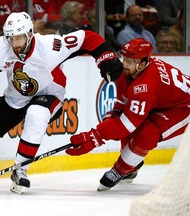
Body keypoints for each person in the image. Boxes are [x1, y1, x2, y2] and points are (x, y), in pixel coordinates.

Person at [0, 11, 123, 194]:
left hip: (50, 94)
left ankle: (20, 170)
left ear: (30, 34)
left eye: (19, 39)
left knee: (36, 114)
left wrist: (105, 58)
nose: (15, 44)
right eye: (11, 39)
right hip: (17, 97)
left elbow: (88, 38)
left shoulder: (51, 47)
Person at [66, 38, 190, 191]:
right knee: (117, 118)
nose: (124, 64)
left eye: (130, 61)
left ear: (143, 64)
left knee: (147, 134)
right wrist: (104, 128)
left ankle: (121, 170)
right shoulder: (130, 73)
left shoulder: (145, 86)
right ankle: (132, 166)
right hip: (161, 102)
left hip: (183, 108)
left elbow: (126, 126)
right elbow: (122, 108)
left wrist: (95, 136)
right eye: (124, 58)